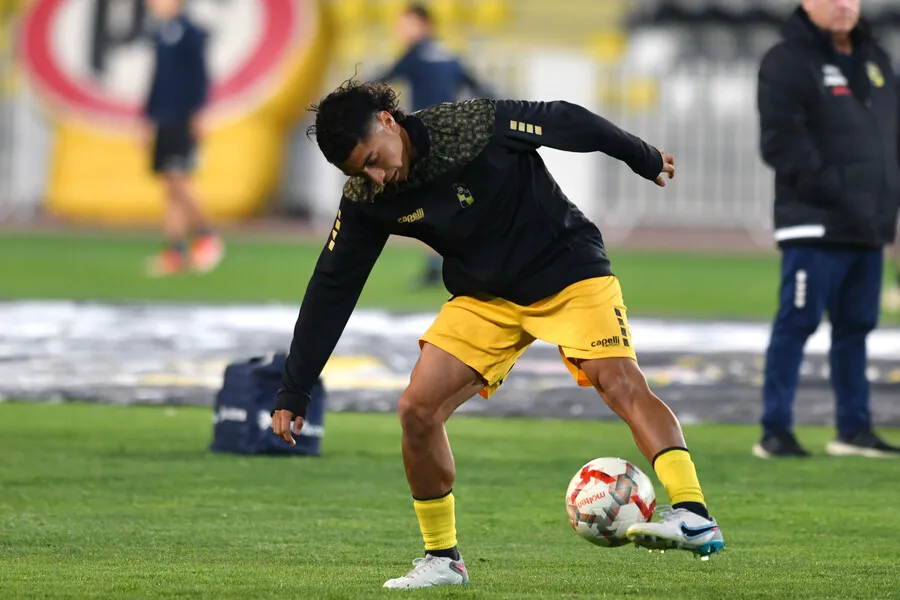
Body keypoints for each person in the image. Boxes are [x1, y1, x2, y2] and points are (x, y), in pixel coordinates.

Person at [270, 79, 725, 589]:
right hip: (485, 299)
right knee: (417, 410)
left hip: (567, 271)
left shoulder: (472, 128)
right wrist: (296, 385)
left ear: (387, 121)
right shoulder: (368, 197)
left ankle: (691, 512)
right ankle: (443, 559)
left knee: (618, 381)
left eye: (375, 158)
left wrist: (639, 155)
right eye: (362, 171)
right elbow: (333, 285)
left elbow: (565, 118)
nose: (378, 176)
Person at [755, 0, 900, 459]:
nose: (844, 6)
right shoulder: (787, 61)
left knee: (856, 327)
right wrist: (836, 188)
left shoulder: (876, 60)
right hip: (814, 222)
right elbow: (780, 141)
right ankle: (775, 431)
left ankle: (853, 429)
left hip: (867, 223)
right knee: (796, 323)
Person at [374, 3, 493, 288]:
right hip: (455, 135)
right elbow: (479, 88)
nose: (401, 30)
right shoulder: (449, 54)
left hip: (428, 137)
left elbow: (382, 80)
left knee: (430, 201)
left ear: (425, 25)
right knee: (451, 199)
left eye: (407, 24)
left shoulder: (415, 55)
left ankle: (443, 264)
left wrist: (349, 95)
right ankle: (456, 261)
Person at [143, 0, 224, 277]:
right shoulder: (162, 33)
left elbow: (200, 77)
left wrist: (199, 113)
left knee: (179, 179)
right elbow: (157, 80)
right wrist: (148, 118)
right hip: (163, 118)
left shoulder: (190, 32)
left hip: (182, 117)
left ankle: (207, 235)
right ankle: (175, 251)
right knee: (169, 185)